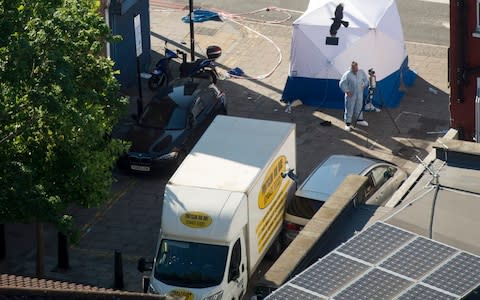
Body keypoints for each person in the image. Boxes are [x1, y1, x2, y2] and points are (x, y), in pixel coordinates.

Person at [339, 61, 369, 131]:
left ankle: (359, 120)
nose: (356, 70)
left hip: (359, 94)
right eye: (354, 69)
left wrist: (364, 84)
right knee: (349, 108)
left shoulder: (361, 72)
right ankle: (347, 123)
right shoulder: (347, 74)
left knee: (359, 106)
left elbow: (366, 80)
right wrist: (347, 91)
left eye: (357, 68)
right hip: (351, 95)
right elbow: (342, 84)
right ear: (351, 68)